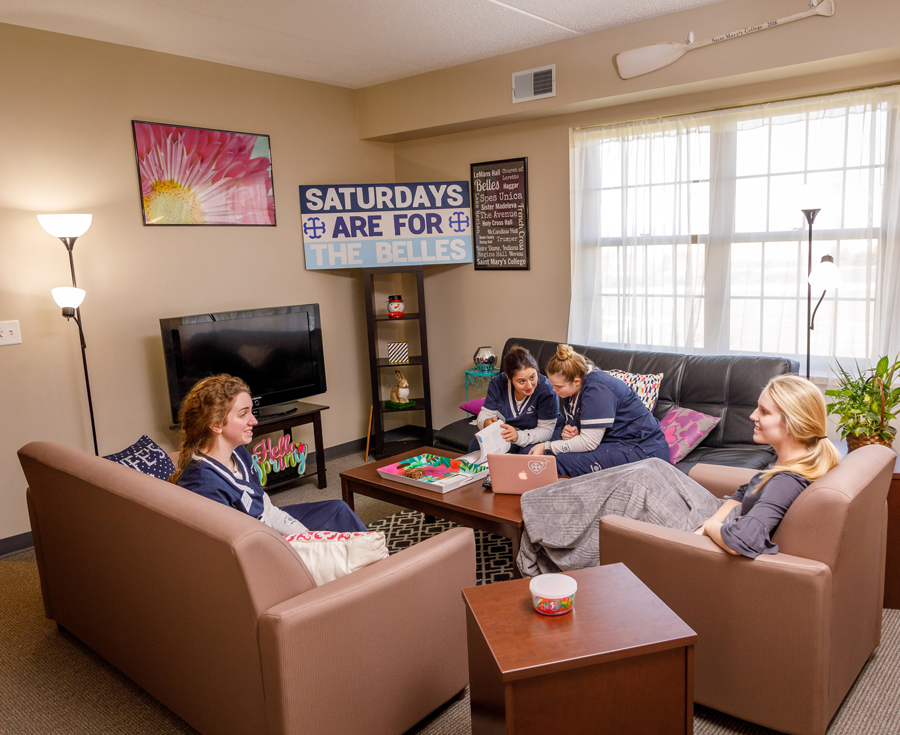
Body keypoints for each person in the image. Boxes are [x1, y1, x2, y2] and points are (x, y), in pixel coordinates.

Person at [517, 373, 841, 576]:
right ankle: (544, 515)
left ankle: (538, 520)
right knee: (654, 467)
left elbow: (744, 539)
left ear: (793, 422)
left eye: (764, 411)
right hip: (716, 516)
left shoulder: (786, 481)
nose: (753, 416)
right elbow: (745, 493)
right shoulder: (794, 460)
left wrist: (711, 525)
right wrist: (723, 510)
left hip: (707, 543)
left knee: (636, 483)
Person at [170, 374, 366, 534]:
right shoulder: (205, 485)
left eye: (251, 412)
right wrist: (309, 545)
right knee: (336, 548)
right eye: (243, 414)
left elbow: (267, 508)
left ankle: (382, 566)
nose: (253, 421)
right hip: (259, 543)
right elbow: (240, 544)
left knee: (337, 511)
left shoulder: (238, 452)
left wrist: (306, 535)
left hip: (267, 522)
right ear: (216, 425)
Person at [527, 344, 669, 477]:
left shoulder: (598, 389)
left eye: (558, 386)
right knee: (530, 450)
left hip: (643, 449)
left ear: (576, 381)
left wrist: (547, 446)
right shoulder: (574, 388)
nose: (554, 390)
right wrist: (574, 431)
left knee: (562, 461)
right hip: (613, 442)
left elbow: (589, 443)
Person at [471, 345, 560, 454]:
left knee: (527, 455)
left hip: (537, 435)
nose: (529, 386)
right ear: (509, 377)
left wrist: (518, 436)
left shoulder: (546, 390)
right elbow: (485, 413)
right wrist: (487, 423)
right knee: (475, 446)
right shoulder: (498, 384)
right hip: (508, 434)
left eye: (532, 377)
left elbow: (546, 431)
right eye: (521, 381)